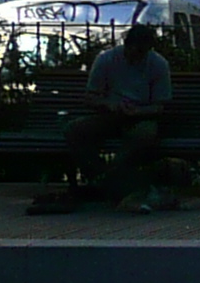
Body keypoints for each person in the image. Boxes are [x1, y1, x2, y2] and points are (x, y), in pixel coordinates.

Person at [56, 21, 172, 213]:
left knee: (144, 136)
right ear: (126, 45)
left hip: (142, 117)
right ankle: (103, 176)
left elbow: (161, 106)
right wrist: (110, 105)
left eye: (142, 52)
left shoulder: (158, 64)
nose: (137, 56)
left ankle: (108, 179)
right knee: (74, 130)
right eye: (134, 50)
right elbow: (91, 97)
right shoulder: (106, 60)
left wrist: (139, 111)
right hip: (110, 114)